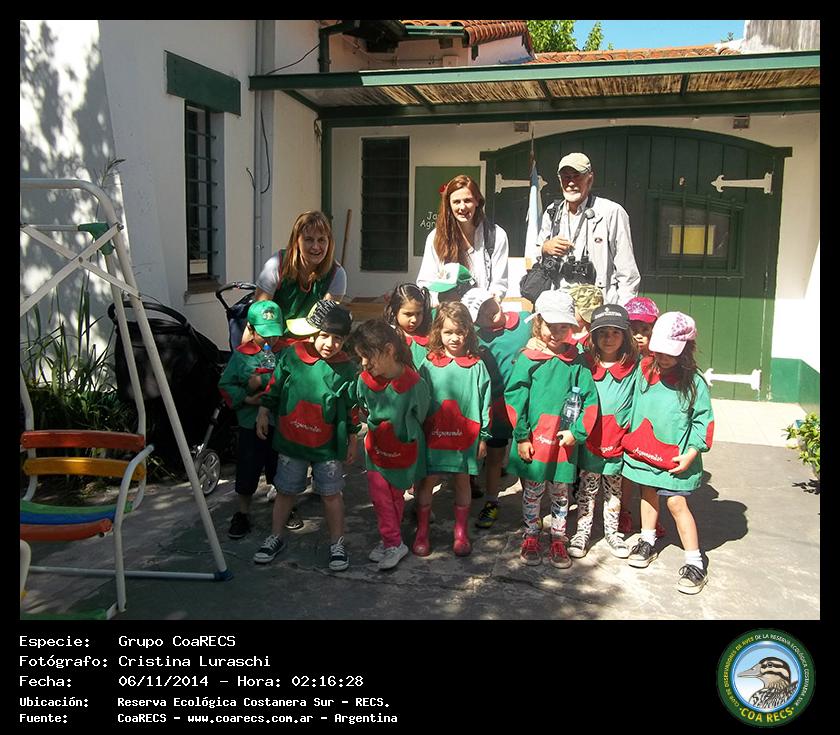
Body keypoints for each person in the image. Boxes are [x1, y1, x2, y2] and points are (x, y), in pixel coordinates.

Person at [254, 300, 359, 571]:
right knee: (285, 492)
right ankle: (276, 536)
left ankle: (337, 543)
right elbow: (275, 386)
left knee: (331, 494)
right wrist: (263, 411)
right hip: (292, 442)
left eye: (338, 338)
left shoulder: (347, 368)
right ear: (312, 332)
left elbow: (352, 408)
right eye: (324, 335)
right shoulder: (292, 355)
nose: (330, 343)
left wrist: (353, 439)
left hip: (328, 447)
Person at [620, 312, 714, 594]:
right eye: (658, 351)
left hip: (675, 456)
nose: (662, 357)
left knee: (675, 504)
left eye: (669, 353)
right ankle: (647, 540)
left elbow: (703, 421)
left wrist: (692, 452)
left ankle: (694, 562)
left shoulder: (694, 382)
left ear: (687, 349)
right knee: (647, 493)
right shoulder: (644, 370)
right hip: (644, 451)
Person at [505, 290, 598, 569]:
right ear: (538, 324)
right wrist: (522, 436)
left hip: (563, 442)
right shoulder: (529, 359)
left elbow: (590, 400)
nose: (557, 333)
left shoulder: (577, 361)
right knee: (532, 490)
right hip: (534, 440)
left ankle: (559, 537)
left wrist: (576, 432)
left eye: (563, 327)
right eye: (551, 326)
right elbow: (515, 398)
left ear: (572, 327)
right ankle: (531, 534)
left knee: (560, 492)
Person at [352, 320, 431, 571]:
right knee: (380, 496)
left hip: (404, 449)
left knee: (394, 495)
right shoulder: (364, 381)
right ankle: (393, 541)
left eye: (368, 356)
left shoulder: (414, 384)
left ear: (389, 350)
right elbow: (363, 408)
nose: (364, 363)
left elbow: (422, 412)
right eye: (360, 357)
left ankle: (391, 540)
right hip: (376, 449)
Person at [414, 302, 491, 557]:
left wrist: (484, 437)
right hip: (433, 436)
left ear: (468, 331)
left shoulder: (477, 365)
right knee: (427, 481)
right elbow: (418, 400)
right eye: (448, 332)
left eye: (460, 331)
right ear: (438, 331)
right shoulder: (428, 364)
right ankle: (422, 531)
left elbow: (486, 403)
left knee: (462, 481)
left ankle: (460, 533)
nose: (454, 338)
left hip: (465, 438)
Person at [571, 304, 638, 560]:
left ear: (625, 335)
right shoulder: (585, 363)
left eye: (615, 332)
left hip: (617, 439)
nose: (609, 338)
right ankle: (582, 532)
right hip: (591, 438)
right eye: (602, 333)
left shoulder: (633, 366)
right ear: (593, 335)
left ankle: (612, 532)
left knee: (614, 490)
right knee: (587, 490)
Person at [527, 152, 640, 305]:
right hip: (558, 304)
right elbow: (533, 255)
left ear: (590, 179)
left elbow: (627, 272)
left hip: (599, 304)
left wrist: (623, 310)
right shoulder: (552, 212)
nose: (571, 182)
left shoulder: (611, 212)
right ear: (560, 180)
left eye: (577, 176)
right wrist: (544, 248)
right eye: (566, 177)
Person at [461, 288, 530, 530]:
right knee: (494, 457)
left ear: (496, 298)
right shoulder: (475, 338)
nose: (487, 314)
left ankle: (530, 505)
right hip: (496, 406)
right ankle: (491, 502)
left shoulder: (526, 322)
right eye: (479, 314)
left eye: (487, 305)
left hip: (524, 404)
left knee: (526, 455)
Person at [218, 302, 288, 540]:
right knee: (248, 468)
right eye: (264, 334)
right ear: (250, 328)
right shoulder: (241, 356)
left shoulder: (285, 353)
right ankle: (243, 512)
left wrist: (267, 383)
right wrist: (246, 397)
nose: (270, 339)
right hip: (250, 423)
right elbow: (226, 385)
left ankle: (285, 507)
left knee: (280, 468)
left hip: (280, 422)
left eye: (275, 333)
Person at [416, 174, 509, 306]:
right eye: (456, 202)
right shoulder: (436, 237)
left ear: (477, 201)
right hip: (447, 312)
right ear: (449, 204)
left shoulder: (496, 235)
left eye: (467, 200)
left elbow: (499, 285)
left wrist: (491, 300)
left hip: (482, 311)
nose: (462, 207)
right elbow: (426, 282)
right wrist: (440, 302)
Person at [252, 211, 347, 334]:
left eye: (321, 240)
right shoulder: (276, 265)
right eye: (309, 240)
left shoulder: (337, 274)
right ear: (296, 241)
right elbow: (261, 314)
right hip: (272, 334)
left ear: (329, 242)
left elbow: (325, 323)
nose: (315, 247)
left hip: (311, 337)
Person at [618, 296, 665, 538]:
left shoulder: (661, 358)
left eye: (645, 330)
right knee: (626, 472)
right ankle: (623, 512)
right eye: (633, 330)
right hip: (627, 423)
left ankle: (651, 518)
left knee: (650, 474)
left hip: (650, 425)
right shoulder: (622, 356)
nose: (639, 336)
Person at [383, 283, 433, 369]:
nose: (414, 320)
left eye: (418, 313)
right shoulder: (390, 339)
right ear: (395, 311)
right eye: (408, 314)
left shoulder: (430, 338)